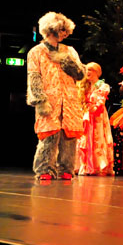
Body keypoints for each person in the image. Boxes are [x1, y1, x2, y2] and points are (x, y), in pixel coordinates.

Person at [27, 12, 86, 182]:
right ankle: (45, 168)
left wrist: (65, 60)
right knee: (49, 135)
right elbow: (34, 76)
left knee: (69, 136)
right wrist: (39, 100)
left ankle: (66, 168)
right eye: (62, 30)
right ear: (51, 29)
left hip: (69, 99)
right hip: (49, 99)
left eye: (66, 30)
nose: (65, 34)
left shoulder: (70, 51)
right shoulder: (36, 52)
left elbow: (80, 74)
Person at [75, 62, 114, 175]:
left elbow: (101, 101)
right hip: (86, 116)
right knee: (84, 140)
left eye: (91, 70)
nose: (88, 72)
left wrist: (94, 108)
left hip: (98, 116)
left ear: (97, 72)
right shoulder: (84, 86)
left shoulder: (103, 86)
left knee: (98, 139)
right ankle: (84, 166)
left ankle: (98, 166)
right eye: (87, 70)